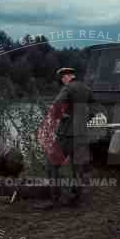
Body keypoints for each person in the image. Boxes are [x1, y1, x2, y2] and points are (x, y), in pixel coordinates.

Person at [44, 67, 95, 207]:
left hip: (66, 134)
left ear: (67, 77)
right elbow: (95, 110)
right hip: (82, 134)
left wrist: (61, 116)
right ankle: (78, 198)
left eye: (62, 78)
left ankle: (55, 198)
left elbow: (55, 106)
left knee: (51, 165)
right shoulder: (86, 89)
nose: (62, 81)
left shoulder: (68, 88)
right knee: (78, 167)